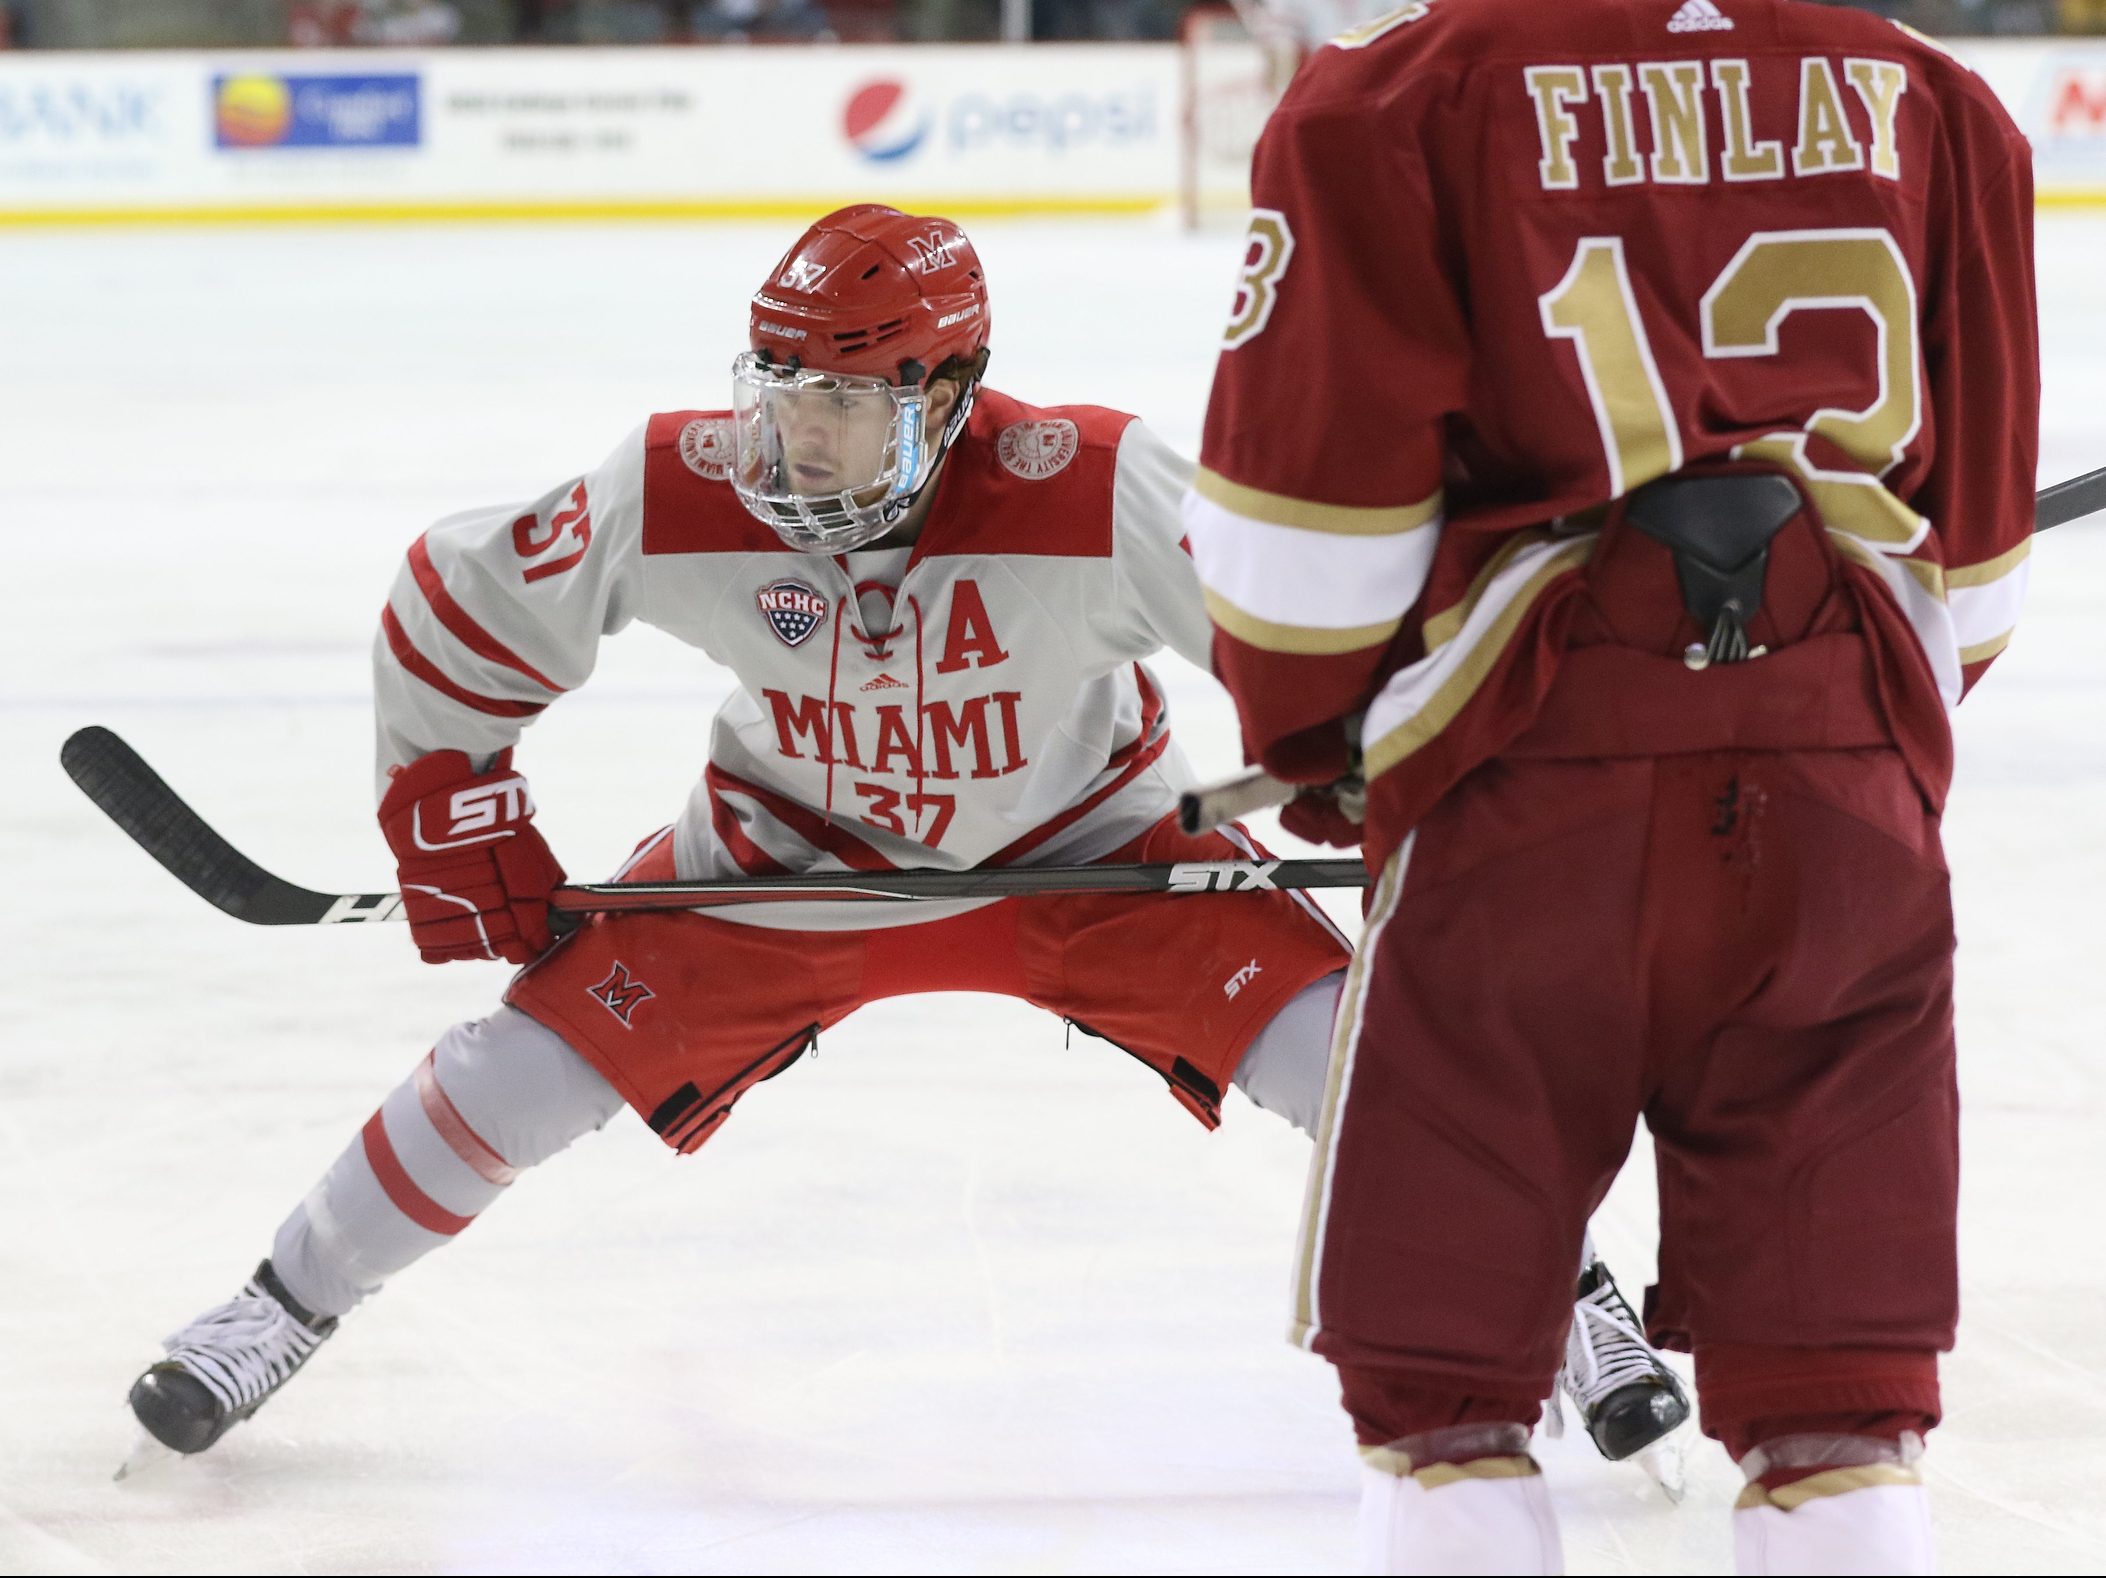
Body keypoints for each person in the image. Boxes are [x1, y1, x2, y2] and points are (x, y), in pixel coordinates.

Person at [125, 205, 1682, 1486]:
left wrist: (1369, 766)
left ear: (949, 388)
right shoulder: (680, 483)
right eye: (781, 389)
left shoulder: (1092, 485)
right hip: (786, 867)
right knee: (508, 1074)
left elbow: (1298, 626)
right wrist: (452, 801)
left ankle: (1576, 1302)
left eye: (846, 401)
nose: (798, 436)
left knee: (1367, 1061)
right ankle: (274, 1308)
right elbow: (461, 601)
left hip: (1100, 860)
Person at [1185, 0, 2038, 1571]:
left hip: (1519, 789)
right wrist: (1831, 726)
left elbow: (1296, 563)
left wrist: (1332, 752)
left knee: (1441, 1400)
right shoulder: (1932, 91)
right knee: (1837, 1400)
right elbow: (1973, 571)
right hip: (1840, 792)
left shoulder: (1392, 96)